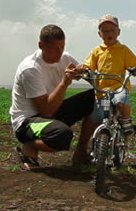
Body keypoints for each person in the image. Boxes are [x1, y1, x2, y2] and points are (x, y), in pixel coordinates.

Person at [9, 24, 95, 170]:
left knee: (95, 97)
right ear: (41, 45)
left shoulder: (65, 58)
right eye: (55, 48)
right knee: (61, 136)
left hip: (51, 111)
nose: (59, 52)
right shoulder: (30, 69)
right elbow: (46, 111)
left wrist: (86, 72)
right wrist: (64, 82)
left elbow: (91, 78)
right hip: (28, 121)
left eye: (62, 47)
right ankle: (28, 144)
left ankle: (81, 153)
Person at [83, 14, 136, 135]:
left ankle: (126, 121)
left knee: (121, 102)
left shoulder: (123, 50)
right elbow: (88, 66)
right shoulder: (96, 51)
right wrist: (82, 70)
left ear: (118, 32)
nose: (109, 33)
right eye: (105, 30)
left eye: (112, 30)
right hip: (102, 90)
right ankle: (99, 142)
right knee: (98, 117)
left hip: (119, 87)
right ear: (99, 34)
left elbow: (134, 66)